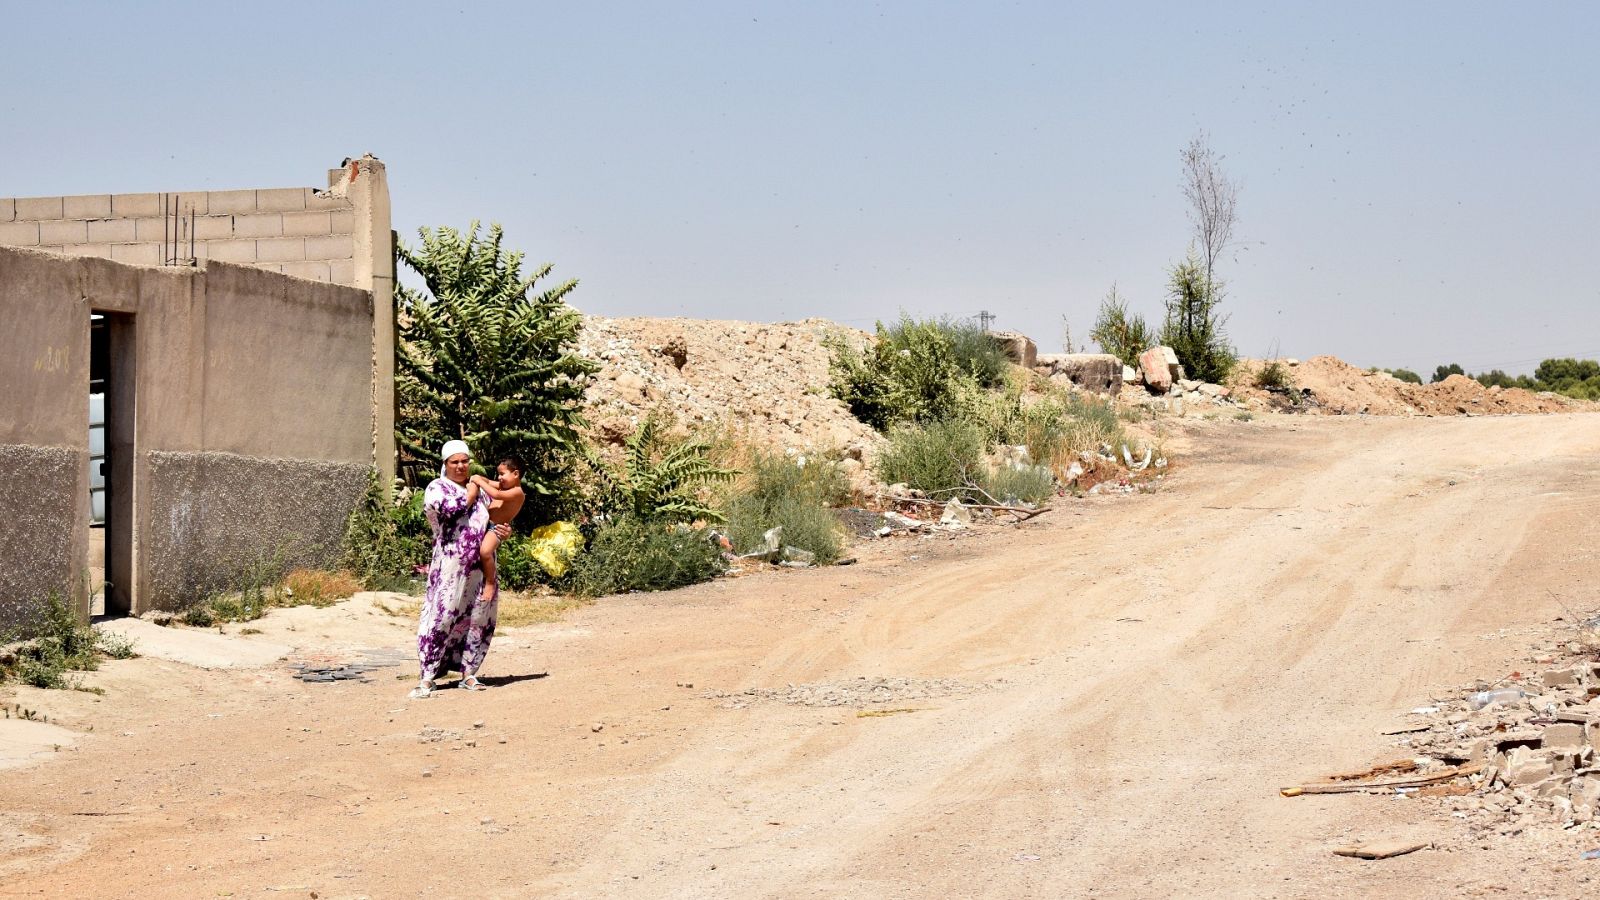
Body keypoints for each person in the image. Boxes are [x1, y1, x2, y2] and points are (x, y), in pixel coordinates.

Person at [411, 440, 510, 698]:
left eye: (464, 461)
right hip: (450, 566)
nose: (461, 466)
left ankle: (468, 673)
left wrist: (503, 531)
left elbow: (495, 517)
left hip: (479, 568)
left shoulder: (478, 488)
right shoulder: (437, 488)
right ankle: (428, 676)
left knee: (478, 617)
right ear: (445, 464)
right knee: (441, 617)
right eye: (454, 462)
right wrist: (471, 494)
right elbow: (449, 512)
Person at [468, 455, 526, 605]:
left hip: (496, 529)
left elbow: (497, 495)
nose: (499, 478)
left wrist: (479, 481)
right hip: (485, 525)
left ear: (516, 474)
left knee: (485, 552)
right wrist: (477, 477)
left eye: (502, 474)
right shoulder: (502, 485)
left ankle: (490, 583)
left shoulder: (517, 492)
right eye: (498, 474)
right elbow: (488, 482)